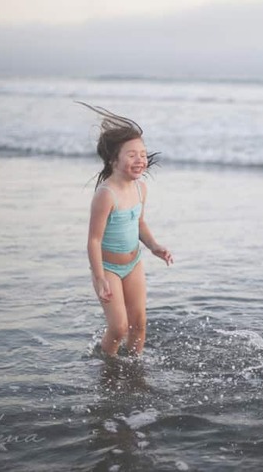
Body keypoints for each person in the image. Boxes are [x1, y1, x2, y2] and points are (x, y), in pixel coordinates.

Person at [83, 102, 173, 357]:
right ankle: (107, 364)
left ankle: (134, 366)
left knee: (139, 324)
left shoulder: (140, 189)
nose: (140, 160)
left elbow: (139, 223)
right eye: (132, 154)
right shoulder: (106, 194)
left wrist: (154, 246)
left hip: (133, 263)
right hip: (108, 269)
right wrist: (99, 277)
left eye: (143, 154)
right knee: (119, 327)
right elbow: (93, 240)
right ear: (114, 159)